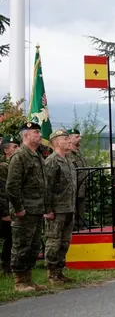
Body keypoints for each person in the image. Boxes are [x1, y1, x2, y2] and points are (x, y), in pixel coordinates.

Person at [6, 122, 49, 292]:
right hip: (24, 211)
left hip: (37, 209)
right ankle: (19, 281)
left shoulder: (36, 155)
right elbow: (12, 186)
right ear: (26, 135)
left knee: (33, 246)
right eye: (36, 132)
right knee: (21, 245)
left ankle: (28, 279)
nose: (40, 135)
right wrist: (18, 208)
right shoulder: (20, 156)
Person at [43, 129, 77, 284]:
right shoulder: (52, 161)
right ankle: (51, 273)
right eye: (66, 139)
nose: (69, 141)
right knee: (54, 241)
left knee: (64, 241)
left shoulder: (68, 160)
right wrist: (47, 209)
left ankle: (59, 271)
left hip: (69, 207)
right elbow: (46, 187)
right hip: (56, 209)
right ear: (56, 142)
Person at [0, 135, 19, 276]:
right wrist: (4, 213)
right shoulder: (3, 167)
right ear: (6, 150)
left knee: (12, 238)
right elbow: (2, 191)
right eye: (15, 147)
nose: (18, 149)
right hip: (5, 210)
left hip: (13, 208)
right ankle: (6, 266)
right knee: (9, 237)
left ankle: (9, 266)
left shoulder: (15, 165)